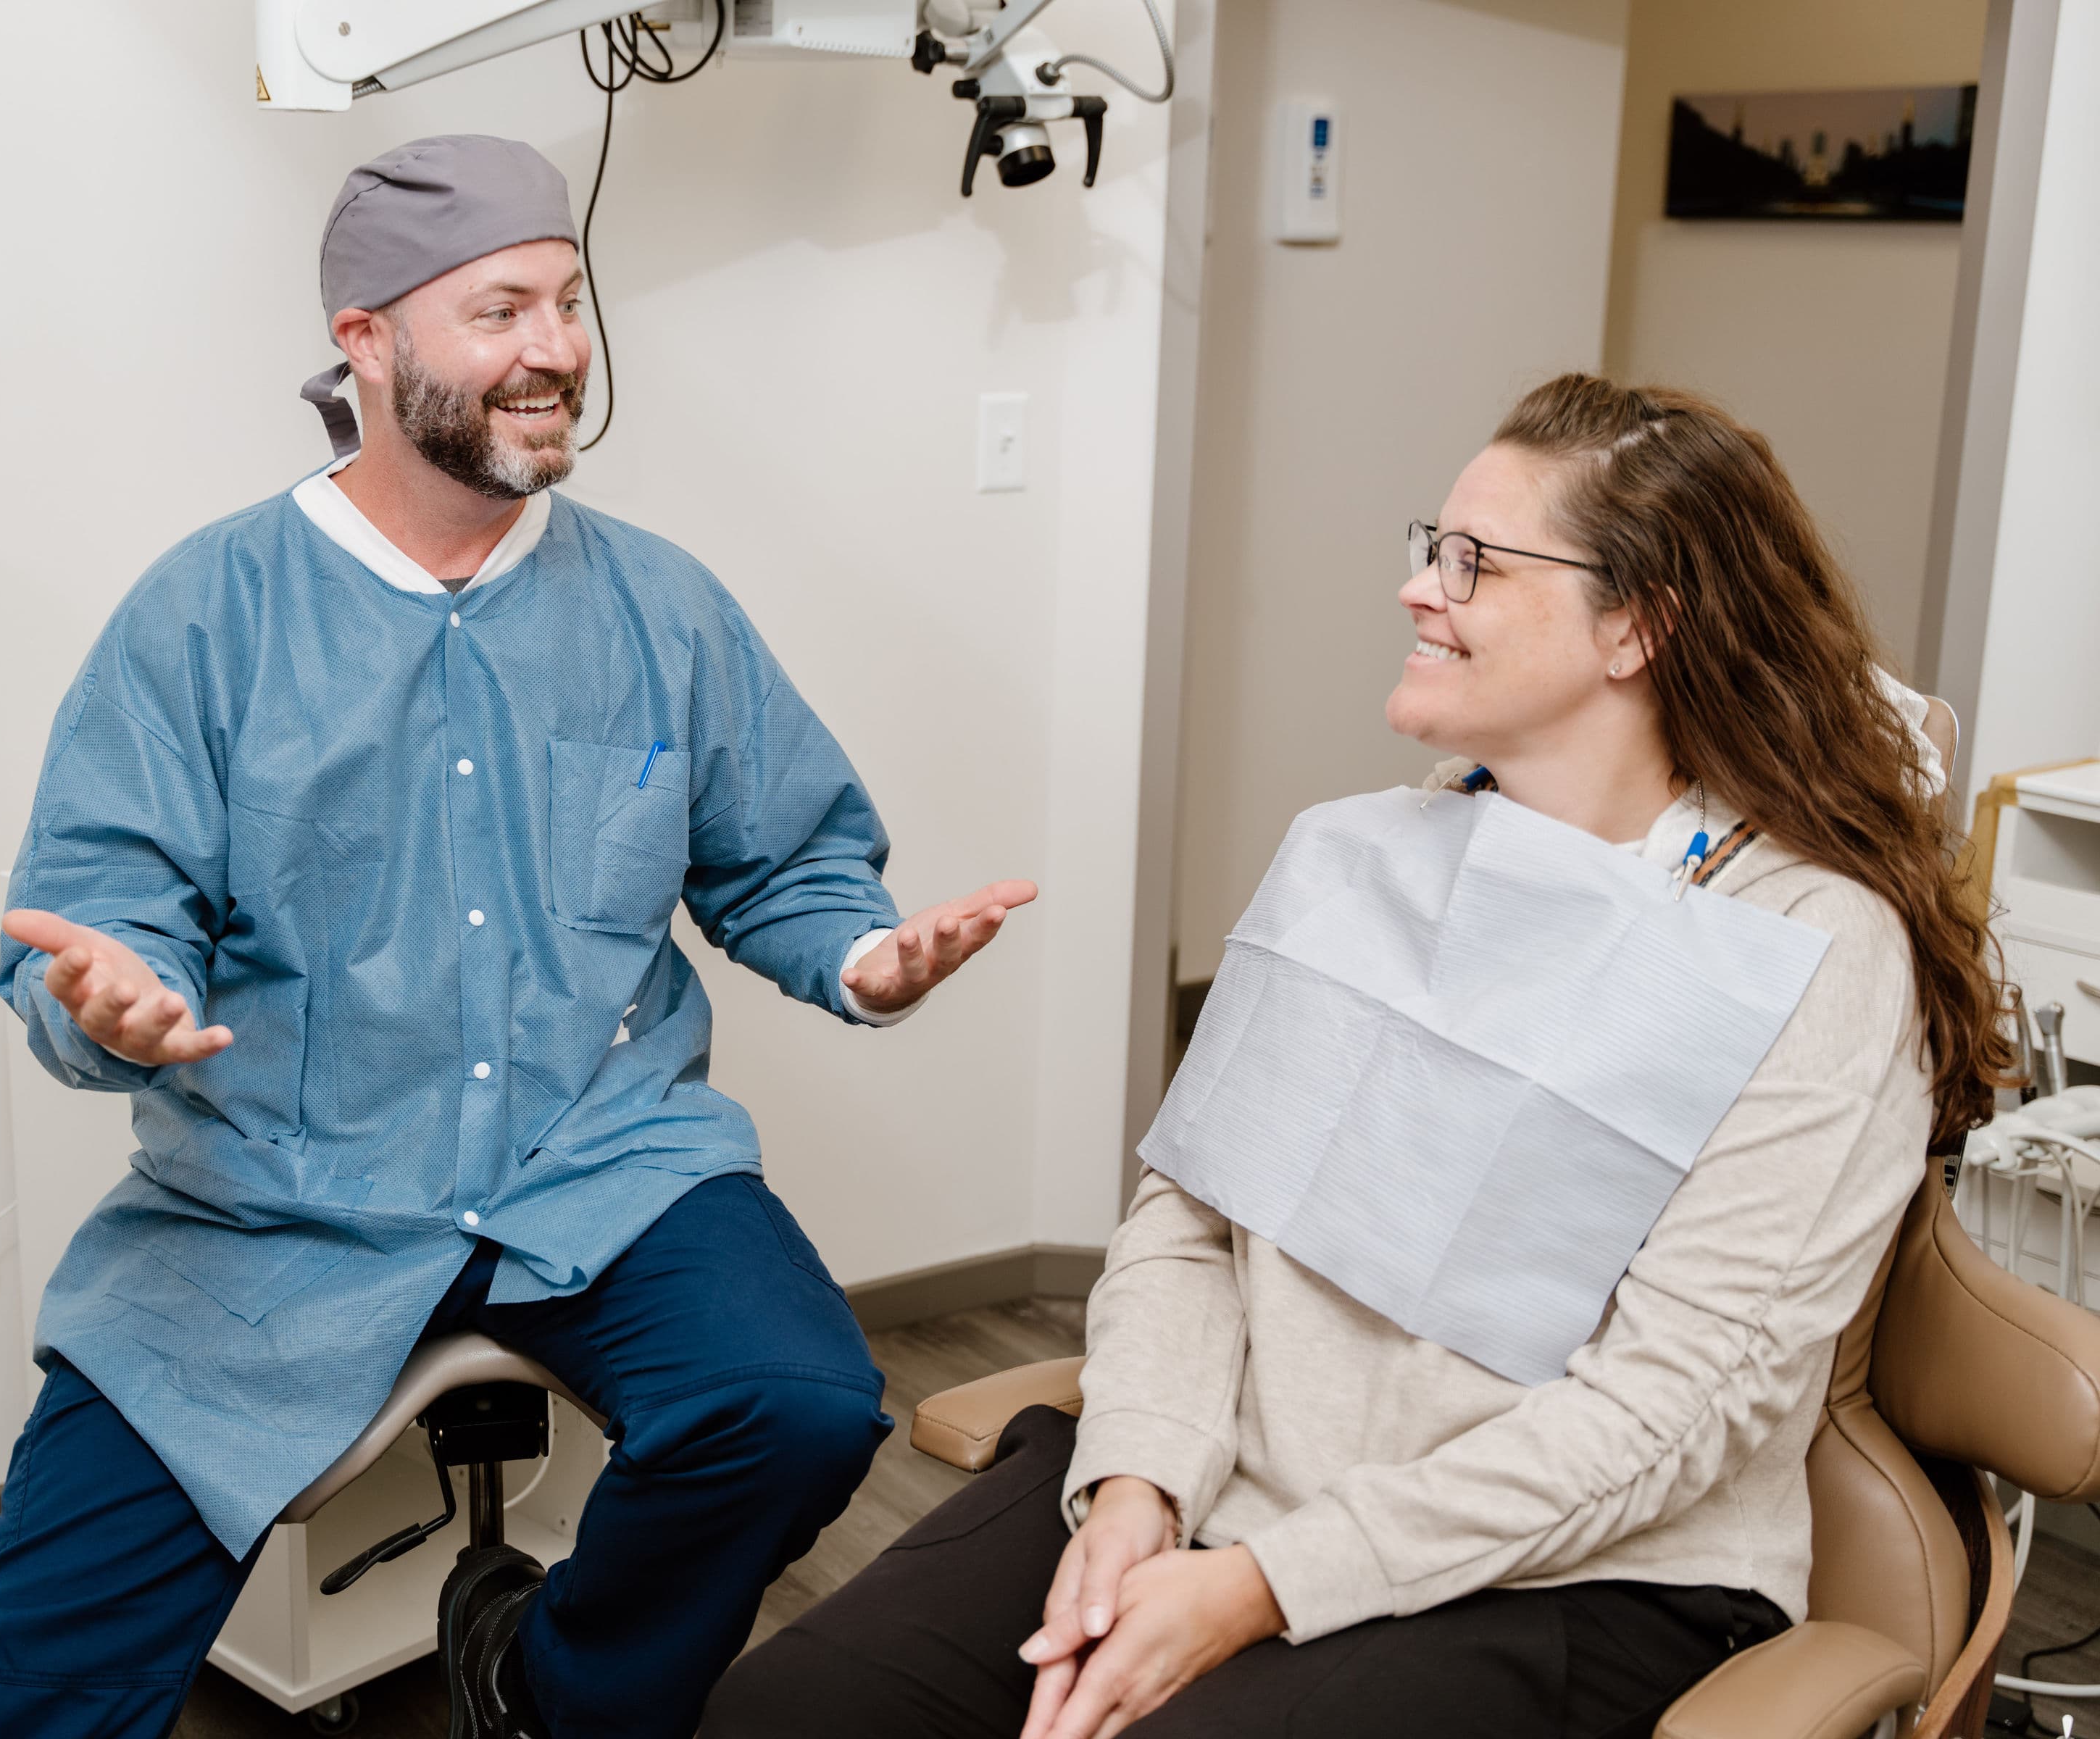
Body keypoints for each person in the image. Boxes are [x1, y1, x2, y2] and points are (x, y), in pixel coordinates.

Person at [0, 134, 1036, 1739]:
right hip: (274, 1204)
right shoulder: (204, 614)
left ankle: (547, 1689)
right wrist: (116, 1004)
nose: (557, 349)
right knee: (14, 1694)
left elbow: (782, 862)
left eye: (568, 304)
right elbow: (101, 915)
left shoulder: (665, 608)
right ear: (366, 340)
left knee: (797, 1406)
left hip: (604, 1166)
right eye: (502, 309)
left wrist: (856, 956)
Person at [705, 374, 2010, 1738]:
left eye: (1474, 564)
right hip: (1223, 1485)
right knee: (790, 1713)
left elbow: (1672, 1412)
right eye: (1428, 547)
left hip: (1575, 1573)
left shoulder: (1807, 948)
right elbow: (1190, 1225)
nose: (1418, 591)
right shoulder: (1364, 858)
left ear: (1636, 624)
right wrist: (1139, 1481)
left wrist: (1267, 1586)